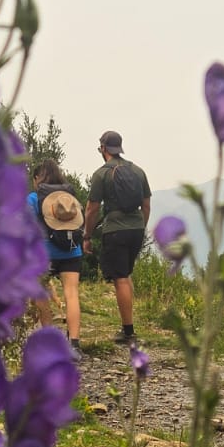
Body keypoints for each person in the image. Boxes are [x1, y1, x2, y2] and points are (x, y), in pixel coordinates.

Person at [84, 130, 151, 345]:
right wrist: (141, 226)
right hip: (137, 228)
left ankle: (128, 332)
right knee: (127, 273)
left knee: (120, 277)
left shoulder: (101, 174)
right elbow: (146, 205)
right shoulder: (138, 171)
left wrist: (86, 235)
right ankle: (128, 322)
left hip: (115, 229)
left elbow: (92, 209)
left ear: (103, 149)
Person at [28, 157, 84, 354]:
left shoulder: (34, 198)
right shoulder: (69, 196)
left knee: (41, 295)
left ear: (38, 179)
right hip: (72, 250)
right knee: (71, 294)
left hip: (44, 254)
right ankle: (74, 344)